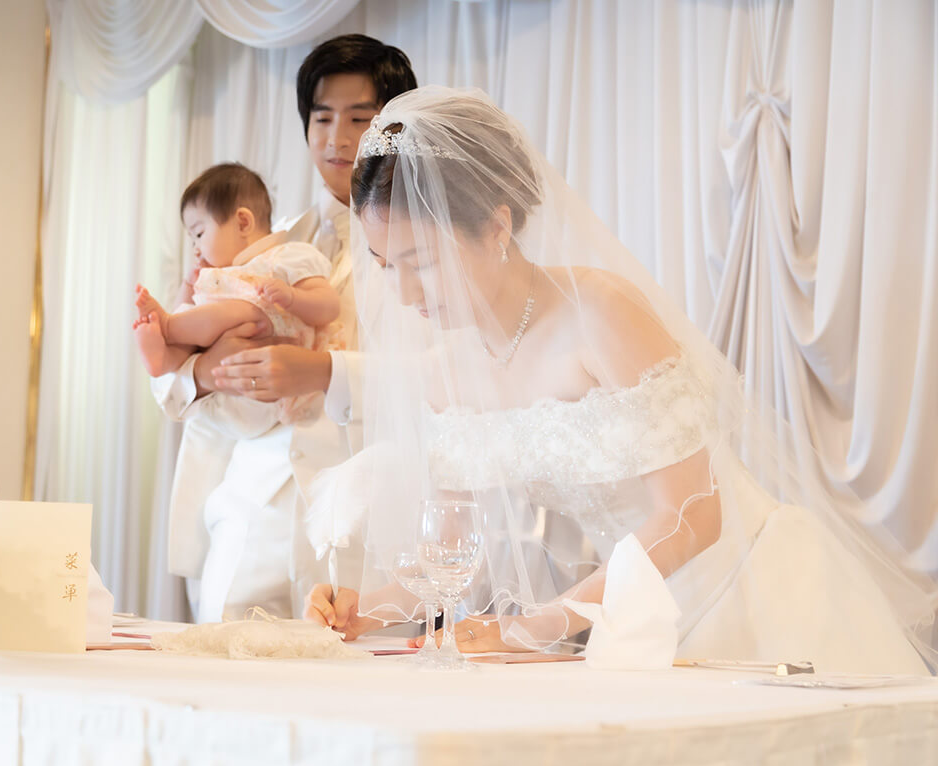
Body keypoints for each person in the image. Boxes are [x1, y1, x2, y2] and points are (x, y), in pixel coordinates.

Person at [305, 87, 938, 675]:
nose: (405, 292)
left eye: (423, 261)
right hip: (618, 619)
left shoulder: (599, 314)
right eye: (387, 266)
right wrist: (363, 611)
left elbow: (693, 514)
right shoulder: (446, 370)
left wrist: (541, 626)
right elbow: (451, 563)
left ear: (497, 227)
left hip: (741, 594)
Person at [151, 36, 417, 622]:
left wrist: (324, 372)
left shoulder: (425, 248)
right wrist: (202, 369)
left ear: (394, 126)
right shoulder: (252, 236)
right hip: (249, 503)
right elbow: (170, 367)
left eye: (359, 118)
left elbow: (444, 378)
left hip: (364, 519)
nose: (336, 138)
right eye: (321, 118)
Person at [135, 163, 341, 423]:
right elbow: (192, 317)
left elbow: (329, 306)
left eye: (199, 233)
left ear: (243, 222)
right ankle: (165, 356)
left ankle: (166, 326)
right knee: (196, 319)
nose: (196, 249)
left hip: (274, 384)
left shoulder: (288, 256)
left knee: (245, 309)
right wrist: (188, 286)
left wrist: (292, 297)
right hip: (225, 399)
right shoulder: (220, 275)